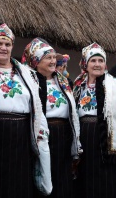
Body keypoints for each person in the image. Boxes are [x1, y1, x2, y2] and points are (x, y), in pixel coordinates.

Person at [0, 24, 52, 197]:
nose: (3, 48)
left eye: (7, 44)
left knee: (20, 181)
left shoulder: (26, 73)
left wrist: (41, 130)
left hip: (22, 134)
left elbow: (37, 105)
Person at [73, 42, 116, 198]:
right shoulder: (78, 87)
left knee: (108, 184)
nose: (97, 64)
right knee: (86, 184)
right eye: (93, 61)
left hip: (107, 143)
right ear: (85, 64)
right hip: (85, 142)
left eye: (101, 61)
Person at [22, 37, 82, 198]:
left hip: (63, 134)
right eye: (48, 57)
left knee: (62, 177)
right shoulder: (29, 80)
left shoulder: (62, 81)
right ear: (36, 61)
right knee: (41, 176)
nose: (53, 61)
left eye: (54, 57)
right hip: (41, 133)